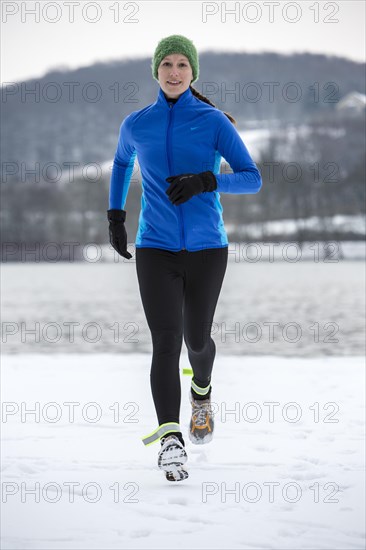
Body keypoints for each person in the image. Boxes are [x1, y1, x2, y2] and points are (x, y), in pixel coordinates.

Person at [107, 35, 262, 482]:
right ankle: (170, 441)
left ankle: (201, 391)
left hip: (207, 249)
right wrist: (116, 216)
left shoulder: (213, 122)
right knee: (166, 341)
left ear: (193, 72)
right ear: (155, 71)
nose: (174, 72)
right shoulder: (137, 123)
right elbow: (120, 164)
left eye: (182, 65)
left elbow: (252, 179)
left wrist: (206, 182)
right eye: (166, 64)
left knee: (197, 340)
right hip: (154, 247)